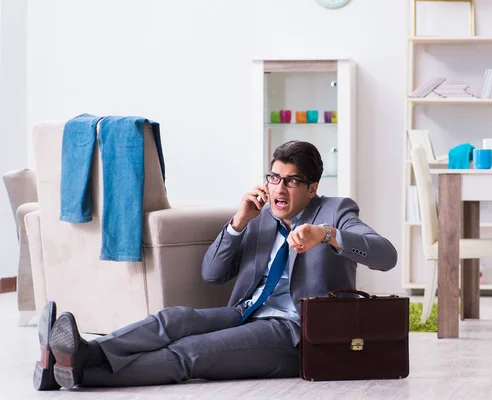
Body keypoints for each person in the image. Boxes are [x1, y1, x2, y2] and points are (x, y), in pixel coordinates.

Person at [33, 140, 398, 390]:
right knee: (172, 320)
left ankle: (80, 371)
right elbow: (212, 273)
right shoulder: (260, 214)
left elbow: (386, 255)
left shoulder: (335, 211)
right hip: (245, 311)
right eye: (274, 178)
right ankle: (79, 355)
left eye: (291, 181)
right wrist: (238, 223)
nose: (279, 190)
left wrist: (327, 235)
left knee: (192, 354)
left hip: (296, 332)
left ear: (312, 188)